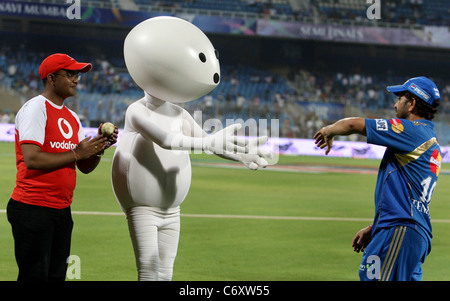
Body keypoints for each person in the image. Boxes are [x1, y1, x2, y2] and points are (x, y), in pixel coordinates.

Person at [313, 76, 441, 281]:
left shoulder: (410, 131)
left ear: (412, 103)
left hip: (400, 230)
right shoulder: (430, 141)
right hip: (414, 232)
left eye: (400, 98)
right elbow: (408, 194)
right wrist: (376, 227)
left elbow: (353, 124)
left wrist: (328, 130)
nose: (395, 103)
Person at [7, 53, 118, 281]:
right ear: (51, 78)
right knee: (34, 276)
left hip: (61, 210)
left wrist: (99, 147)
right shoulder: (36, 109)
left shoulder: (72, 117)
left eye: (77, 74)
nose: (76, 79)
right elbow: (32, 159)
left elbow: (84, 167)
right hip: (32, 208)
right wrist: (77, 152)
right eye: (69, 74)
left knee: (56, 276)